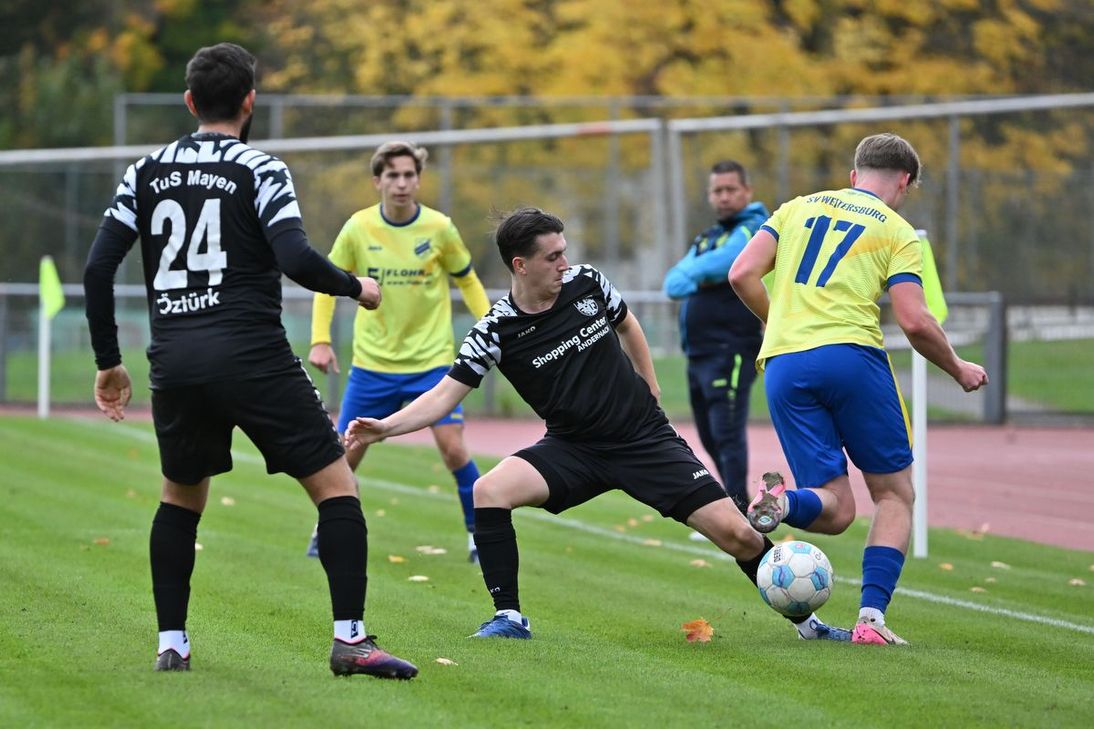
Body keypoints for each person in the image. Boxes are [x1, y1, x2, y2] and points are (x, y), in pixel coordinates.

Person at [345, 207, 850, 642]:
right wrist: (385, 428)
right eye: (552, 257)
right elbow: (443, 395)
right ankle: (509, 616)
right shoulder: (496, 329)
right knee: (488, 491)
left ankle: (808, 624)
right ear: (520, 265)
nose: (564, 263)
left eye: (565, 251)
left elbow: (628, 323)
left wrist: (649, 385)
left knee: (739, 536)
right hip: (574, 450)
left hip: (644, 440)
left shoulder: (587, 282)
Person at [82, 42, 417, 678]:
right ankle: (351, 641)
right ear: (250, 102)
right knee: (335, 484)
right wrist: (355, 286)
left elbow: (99, 267)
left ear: (188, 102)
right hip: (251, 353)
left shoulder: (145, 171)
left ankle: (172, 644)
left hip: (174, 359)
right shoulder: (260, 167)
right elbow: (293, 256)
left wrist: (109, 362)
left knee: (180, 499)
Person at [728, 133, 988, 646]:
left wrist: (781, 324)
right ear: (904, 181)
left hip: (783, 365)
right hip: (851, 358)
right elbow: (914, 321)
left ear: (854, 175)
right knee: (894, 493)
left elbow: (741, 273)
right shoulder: (897, 230)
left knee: (835, 510)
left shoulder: (795, 209)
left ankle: (781, 506)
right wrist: (957, 367)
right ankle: (871, 621)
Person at [307, 140, 491, 562]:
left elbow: (468, 281)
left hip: (432, 364)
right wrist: (320, 339)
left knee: (454, 450)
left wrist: (494, 328)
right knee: (343, 457)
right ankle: (325, 529)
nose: (402, 183)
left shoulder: (440, 228)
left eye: (410, 175)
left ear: (418, 180)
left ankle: (478, 535)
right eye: (393, 175)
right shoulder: (358, 228)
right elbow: (326, 283)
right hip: (373, 366)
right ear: (378, 181)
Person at [662, 160, 769, 512]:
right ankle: (734, 506)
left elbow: (729, 263)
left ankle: (739, 511)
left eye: (730, 190)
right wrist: (700, 274)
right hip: (699, 353)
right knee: (709, 435)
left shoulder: (753, 228)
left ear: (747, 192)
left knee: (727, 432)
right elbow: (673, 283)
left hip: (732, 348)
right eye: (717, 191)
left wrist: (701, 273)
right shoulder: (709, 236)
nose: (723, 197)